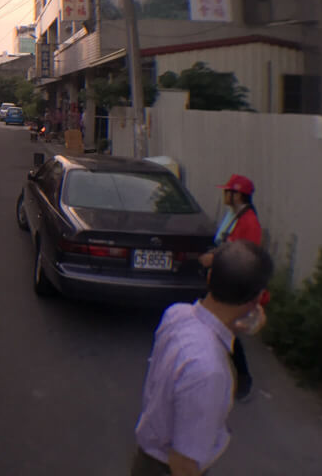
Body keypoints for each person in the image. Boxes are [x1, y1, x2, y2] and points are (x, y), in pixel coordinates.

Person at [133, 240, 273, 476]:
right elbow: (183, 463)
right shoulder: (209, 372)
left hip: (148, 457)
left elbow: (209, 327)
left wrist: (238, 326)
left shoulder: (176, 314)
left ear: (209, 278)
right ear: (256, 299)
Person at [198, 174, 264, 400]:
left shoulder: (249, 223)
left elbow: (245, 257)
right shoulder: (235, 216)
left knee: (227, 333)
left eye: (228, 191)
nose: (224, 195)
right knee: (216, 329)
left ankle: (244, 379)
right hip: (223, 281)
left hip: (233, 286)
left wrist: (214, 260)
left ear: (237, 195)